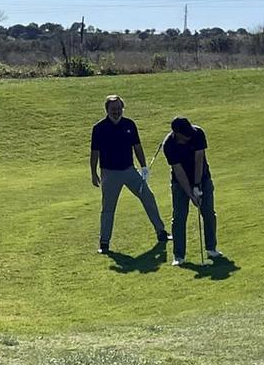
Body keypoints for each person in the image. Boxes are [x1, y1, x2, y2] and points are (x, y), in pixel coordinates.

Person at [90, 94, 169, 254]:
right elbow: (94, 153)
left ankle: (161, 232)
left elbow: (137, 147)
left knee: (148, 197)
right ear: (107, 110)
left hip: (129, 170)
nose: (116, 112)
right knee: (108, 208)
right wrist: (93, 173)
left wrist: (144, 167)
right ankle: (104, 243)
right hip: (109, 173)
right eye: (113, 109)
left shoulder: (129, 124)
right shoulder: (99, 128)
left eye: (119, 109)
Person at [162, 116, 222, 266]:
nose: (188, 137)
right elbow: (178, 171)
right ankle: (179, 256)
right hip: (179, 183)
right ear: (176, 133)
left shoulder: (198, 133)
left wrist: (197, 185)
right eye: (185, 135)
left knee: (208, 213)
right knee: (179, 217)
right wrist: (190, 193)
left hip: (203, 178)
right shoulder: (169, 144)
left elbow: (199, 160)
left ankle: (211, 249)